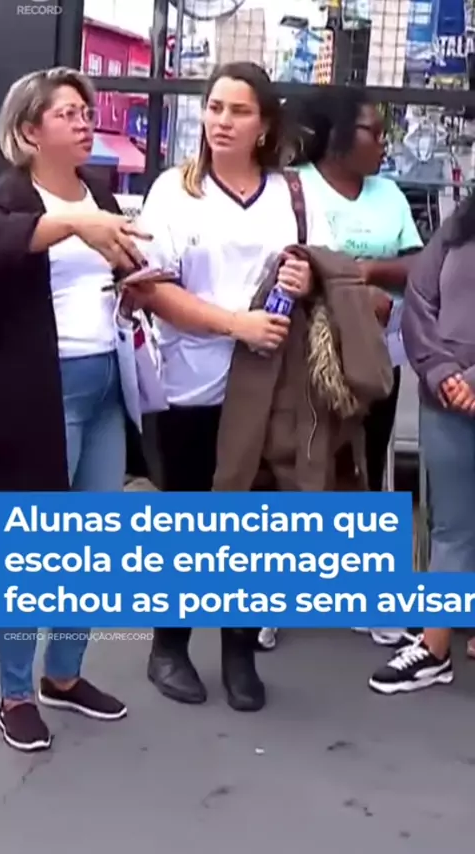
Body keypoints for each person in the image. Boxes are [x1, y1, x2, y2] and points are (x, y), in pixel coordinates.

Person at [127, 61, 334, 712]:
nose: (222, 121)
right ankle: (169, 646)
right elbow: (151, 289)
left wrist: (306, 280)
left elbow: (324, 267)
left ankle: (239, 652)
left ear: (264, 124)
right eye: (214, 107)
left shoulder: (293, 194)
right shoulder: (174, 191)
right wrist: (234, 324)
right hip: (189, 386)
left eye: (238, 111)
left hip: (270, 389)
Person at [0, 67, 151, 752]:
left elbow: (112, 268)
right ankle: (14, 692)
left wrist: (136, 280)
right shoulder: (9, 196)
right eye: (68, 113)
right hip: (39, 391)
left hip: (106, 384)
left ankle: (64, 673)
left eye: (88, 112)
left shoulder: (98, 193)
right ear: (31, 132)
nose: (85, 122)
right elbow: (8, 245)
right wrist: (73, 225)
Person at [288, 88, 423, 649]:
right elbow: (287, 265)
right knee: (298, 465)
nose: (384, 143)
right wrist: (350, 291)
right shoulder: (294, 188)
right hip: (309, 358)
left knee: (365, 468)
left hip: (375, 358)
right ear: (339, 135)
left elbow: (418, 263)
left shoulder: (388, 195)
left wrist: (364, 270)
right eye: (373, 131)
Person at [369, 196, 475, 694]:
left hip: (459, 391)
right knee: (452, 526)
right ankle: (435, 649)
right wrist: (441, 372)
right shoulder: (460, 224)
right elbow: (419, 299)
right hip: (446, 400)